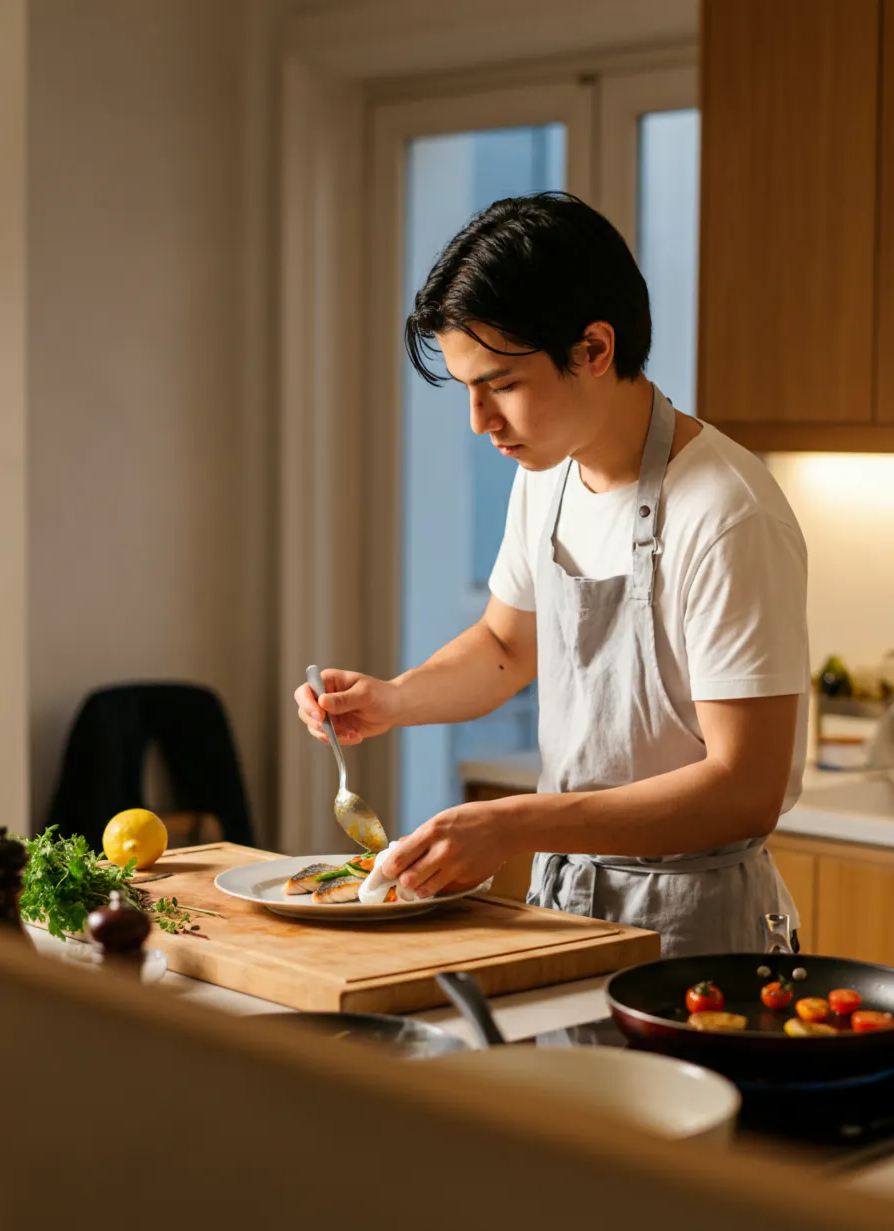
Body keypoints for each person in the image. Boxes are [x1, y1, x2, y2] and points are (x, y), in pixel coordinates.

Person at [295, 192, 809, 958]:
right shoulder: (550, 477)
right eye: (467, 388)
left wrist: (514, 823)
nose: (479, 420)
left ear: (595, 349)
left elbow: (744, 789)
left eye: (500, 384)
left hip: (698, 935)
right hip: (564, 908)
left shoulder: (726, 512)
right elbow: (507, 644)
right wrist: (393, 699)